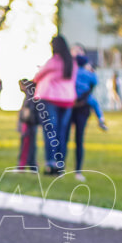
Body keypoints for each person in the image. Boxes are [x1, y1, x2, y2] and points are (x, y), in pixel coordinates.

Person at [32, 35, 77, 175]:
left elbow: (36, 77)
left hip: (50, 99)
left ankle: (51, 164)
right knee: (62, 134)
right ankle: (60, 165)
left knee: (51, 132)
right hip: (68, 100)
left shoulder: (53, 61)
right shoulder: (72, 63)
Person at [67, 49, 108, 181]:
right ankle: (78, 171)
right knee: (79, 140)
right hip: (83, 107)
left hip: (69, 105)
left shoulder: (72, 72)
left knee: (63, 138)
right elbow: (94, 84)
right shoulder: (89, 75)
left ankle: (59, 168)